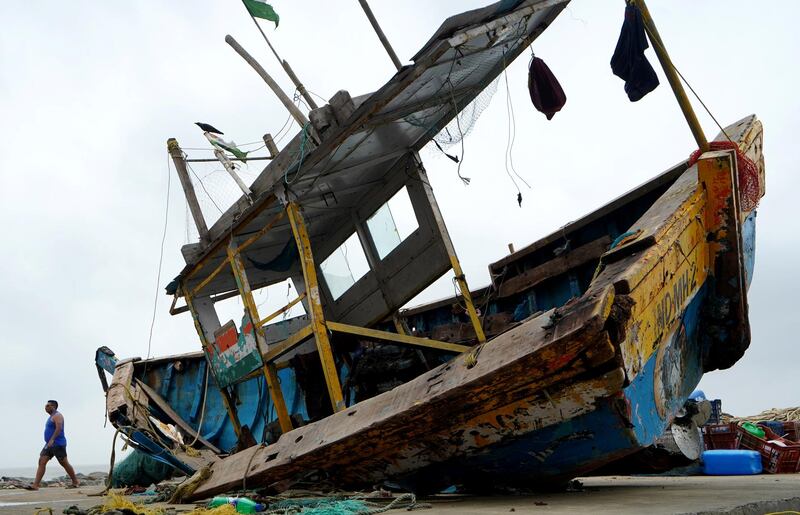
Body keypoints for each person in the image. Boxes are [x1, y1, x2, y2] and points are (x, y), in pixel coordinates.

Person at [27, 400, 80, 490]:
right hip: (49, 444)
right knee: (41, 461)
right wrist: (49, 442)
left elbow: (59, 428)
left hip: (58, 443)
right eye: (45, 405)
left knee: (64, 463)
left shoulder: (57, 416)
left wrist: (52, 439)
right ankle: (35, 485)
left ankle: (75, 481)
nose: (45, 407)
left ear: (53, 407)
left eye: (48, 405)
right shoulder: (51, 417)